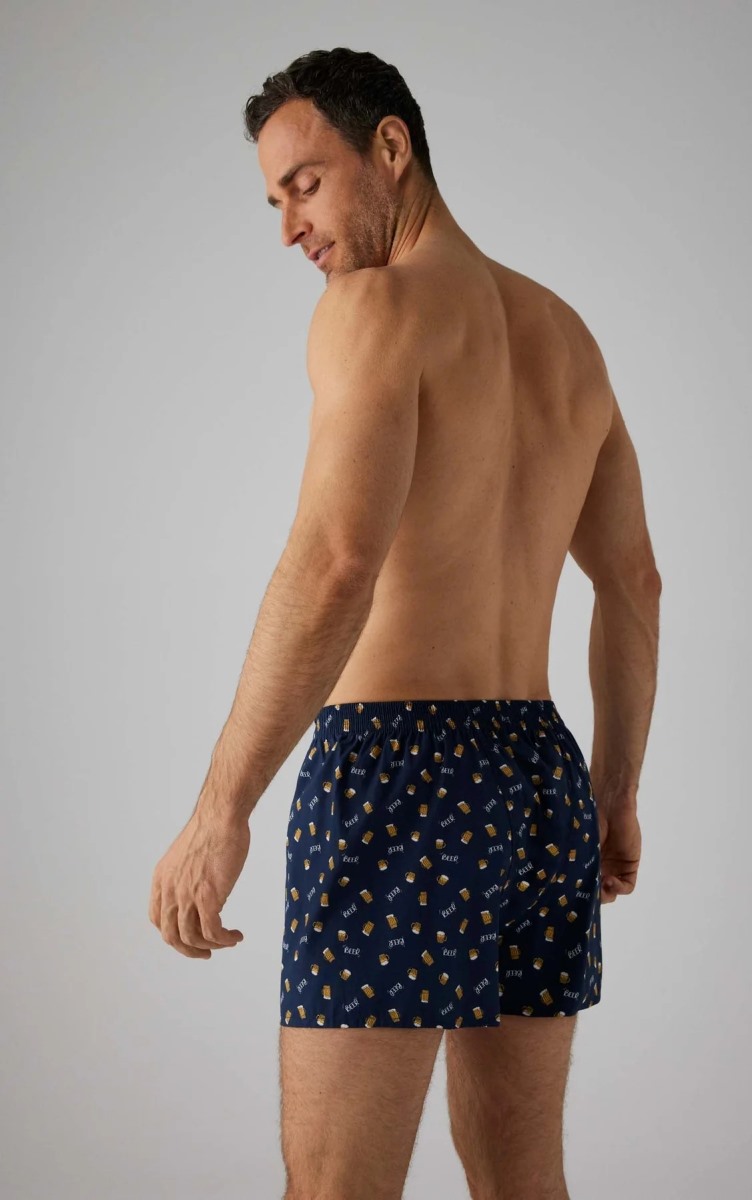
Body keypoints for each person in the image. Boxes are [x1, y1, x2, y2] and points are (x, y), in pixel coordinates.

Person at [148, 46, 661, 1200]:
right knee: (524, 1182)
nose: (290, 228)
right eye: (274, 202)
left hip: (397, 771)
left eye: (305, 184)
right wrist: (612, 795)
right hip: (539, 779)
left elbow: (335, 563)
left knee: (336, 1187)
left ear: (389, 146)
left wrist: (220, 809)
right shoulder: (566, 336)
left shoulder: (372, 308)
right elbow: (633, 584)